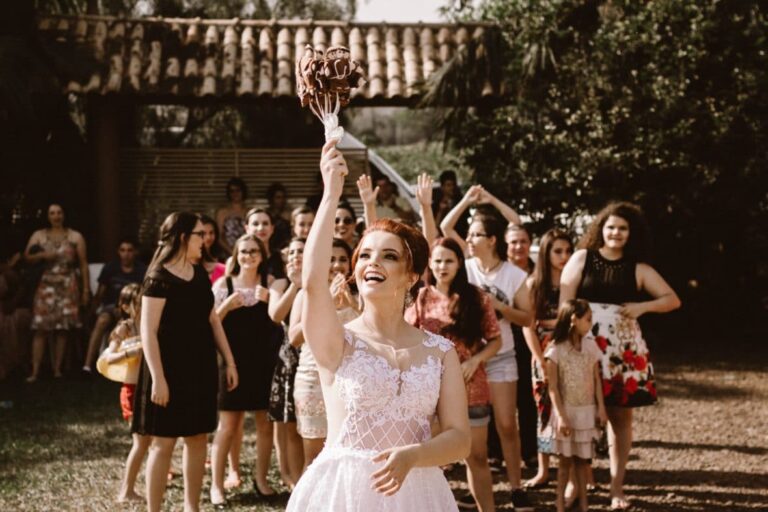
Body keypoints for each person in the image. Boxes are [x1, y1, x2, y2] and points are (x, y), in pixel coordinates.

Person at [286, 140, 471, 511]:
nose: (374, 263)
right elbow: (312, 282)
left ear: (412, 276)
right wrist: (331, 194)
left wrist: (414, 456)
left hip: (419, 493)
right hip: (344, 494)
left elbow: (460, 439)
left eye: (389, 256)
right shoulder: (337, 342)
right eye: (365, 255)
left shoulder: (440, 352)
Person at [560, 202, 681, 510]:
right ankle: (575, 481)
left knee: (620, 417)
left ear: (631, 233)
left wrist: (642, 307)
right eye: (611, 227)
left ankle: (617, 487)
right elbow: (565, 303)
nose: (616, 233)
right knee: (576, 413)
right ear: (601, 228)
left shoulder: (638, 268)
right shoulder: (581, 259)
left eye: (623, 228)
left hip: (622, 352)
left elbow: (672, 300)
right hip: (583, 344)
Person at [131, 211, 238, 512]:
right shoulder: (158, 278)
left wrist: (229, 361)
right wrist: (158, 378)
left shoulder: (199, 273)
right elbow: (148, 332)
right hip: (166, 370)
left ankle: (192, 507)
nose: (204, 240)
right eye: (199, 234)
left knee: (197, 438)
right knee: (162, 443)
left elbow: (212, 319)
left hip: (200, 368)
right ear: (182, 238)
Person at [440, 187, 534, 510]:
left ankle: (517, 486)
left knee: (506, 425)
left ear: (492, 240)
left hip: (502, 354)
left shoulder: (513, 275)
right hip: (468, 360)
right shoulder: (465, 268)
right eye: (470, 233)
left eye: (477, 233)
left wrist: (498, 306)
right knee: (471, 429)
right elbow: (444, 230)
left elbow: (527, 318)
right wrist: (466, 201)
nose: (470, 238)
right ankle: (480, 489)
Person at [405, 237, 502, 512]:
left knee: (477, 457)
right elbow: (406, 336)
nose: (442, 266)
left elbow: (496, 340)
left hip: (472, 388)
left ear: (460, 263)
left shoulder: (477, 297)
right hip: (430, 392)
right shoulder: (421, 298)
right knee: (432, 460)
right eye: (437, 260)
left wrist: (476, 360)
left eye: (448, 260)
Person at [209, 234, 280, 505]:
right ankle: (217, 485)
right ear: (236, 255)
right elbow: (211, 323)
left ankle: (261, 479)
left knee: (265, 425)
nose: (248, 256)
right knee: (228, 425)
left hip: (264, 364)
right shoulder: (223, 285)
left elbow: (279, 319)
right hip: (231, 365)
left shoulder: (270, 285)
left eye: (253, 251)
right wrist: (227, 305)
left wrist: (269, 298)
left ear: (262, 256)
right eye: (243, 251)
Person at [290, 238, 359, 470]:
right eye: (330, 259)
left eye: (342, 259)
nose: (337, 265)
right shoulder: (306, 295)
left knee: (348, 454)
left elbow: (375, 337)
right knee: (314, 459)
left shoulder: (361, 298)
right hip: (313, 380)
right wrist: (326, 301)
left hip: (353, 382)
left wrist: (356, 306)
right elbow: (295, 338)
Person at [522, 229, 574, 488]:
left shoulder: (574, 281)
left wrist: (550, 322)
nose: (564, 256)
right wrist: (539, 358)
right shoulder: (534, 284)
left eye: (568, 251)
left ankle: (577, 472)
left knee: (574, 407)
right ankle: (543, 470)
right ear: (546, 252)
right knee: (544, 410)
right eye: (557, 251)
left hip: (571, 352)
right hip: (542, 353)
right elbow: (527, 325)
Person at [545, 299, 607, 512]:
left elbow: (596, 379)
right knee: (564, 463)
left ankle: (584, 504)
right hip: (567, 412)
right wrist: (561, 416)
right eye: (588, 319)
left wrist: (601, 408)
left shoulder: (590, 347)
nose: (590, 323)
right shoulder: (555, 351)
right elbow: (552, 387)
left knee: (583, 461)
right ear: (574, 319)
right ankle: (560, 504)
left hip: (586, 411)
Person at [96, 283, 150, 503]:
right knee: (141, 441)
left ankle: (159, 473)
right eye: (139, 303)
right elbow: (108, 358)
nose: (144, 306)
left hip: (148, 387)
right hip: (132, 390)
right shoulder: (124, 328)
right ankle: (126, 490)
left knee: (153, 439)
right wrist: (134, 350)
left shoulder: (148, 325)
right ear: (127, 307)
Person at [24, 203, 90, 382]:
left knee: (63, 329)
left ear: (64, 214)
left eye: (59, 212)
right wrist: (43, 256)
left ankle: (57, 369)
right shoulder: (38, 235)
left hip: (68, 283)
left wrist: (85, 290)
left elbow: (83, 263)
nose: (56, 216)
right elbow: (27, 257)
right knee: (40, 328)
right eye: (52, 213)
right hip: (46, 285)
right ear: (47, 216)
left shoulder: (75, 236)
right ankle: (35, 371)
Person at [268, 237, 306, 490]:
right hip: (289, 359)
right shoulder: (279, 284)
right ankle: (295, 483)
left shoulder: (318, 279)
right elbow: (276, 315)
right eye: (292, 252)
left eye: (301, 251)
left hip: (316, 355)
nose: (296, 255)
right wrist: (295, 286)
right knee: (291, 425)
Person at [83, 238, 146, 374]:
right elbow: (100, 293)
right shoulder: (110, 268)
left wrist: (128, 310)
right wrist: (92, 312)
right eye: (122, 250)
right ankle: (87, 366)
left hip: (134, 310)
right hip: (111, 307)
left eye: (130, 250)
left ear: (135, 252)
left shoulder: (142, 270)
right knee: (102, 321)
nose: (126, 254)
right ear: (118, 252)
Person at [505, 223, 538, 468]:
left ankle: (530, 451)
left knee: (527, 396)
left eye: (523, 241)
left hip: (532, 337)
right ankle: (497, 453)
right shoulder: (500, 272)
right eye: (513, 242)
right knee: (500, 398)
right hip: (505, 336)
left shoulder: (539, 273)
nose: (518, 246)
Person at [216, 177, 248, 255]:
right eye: (232, 191)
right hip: (228, 253)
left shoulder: (249, 212)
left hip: (247, 252)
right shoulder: (222, 213)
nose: (235, 193)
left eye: (238, 190)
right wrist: (232, 252)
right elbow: (219, 236)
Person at [266, 182, 293, 250]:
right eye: (278, 197)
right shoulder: (266, 214)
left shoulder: (289, 214)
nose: (281, 200)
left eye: (283, 197)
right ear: (271, 198)